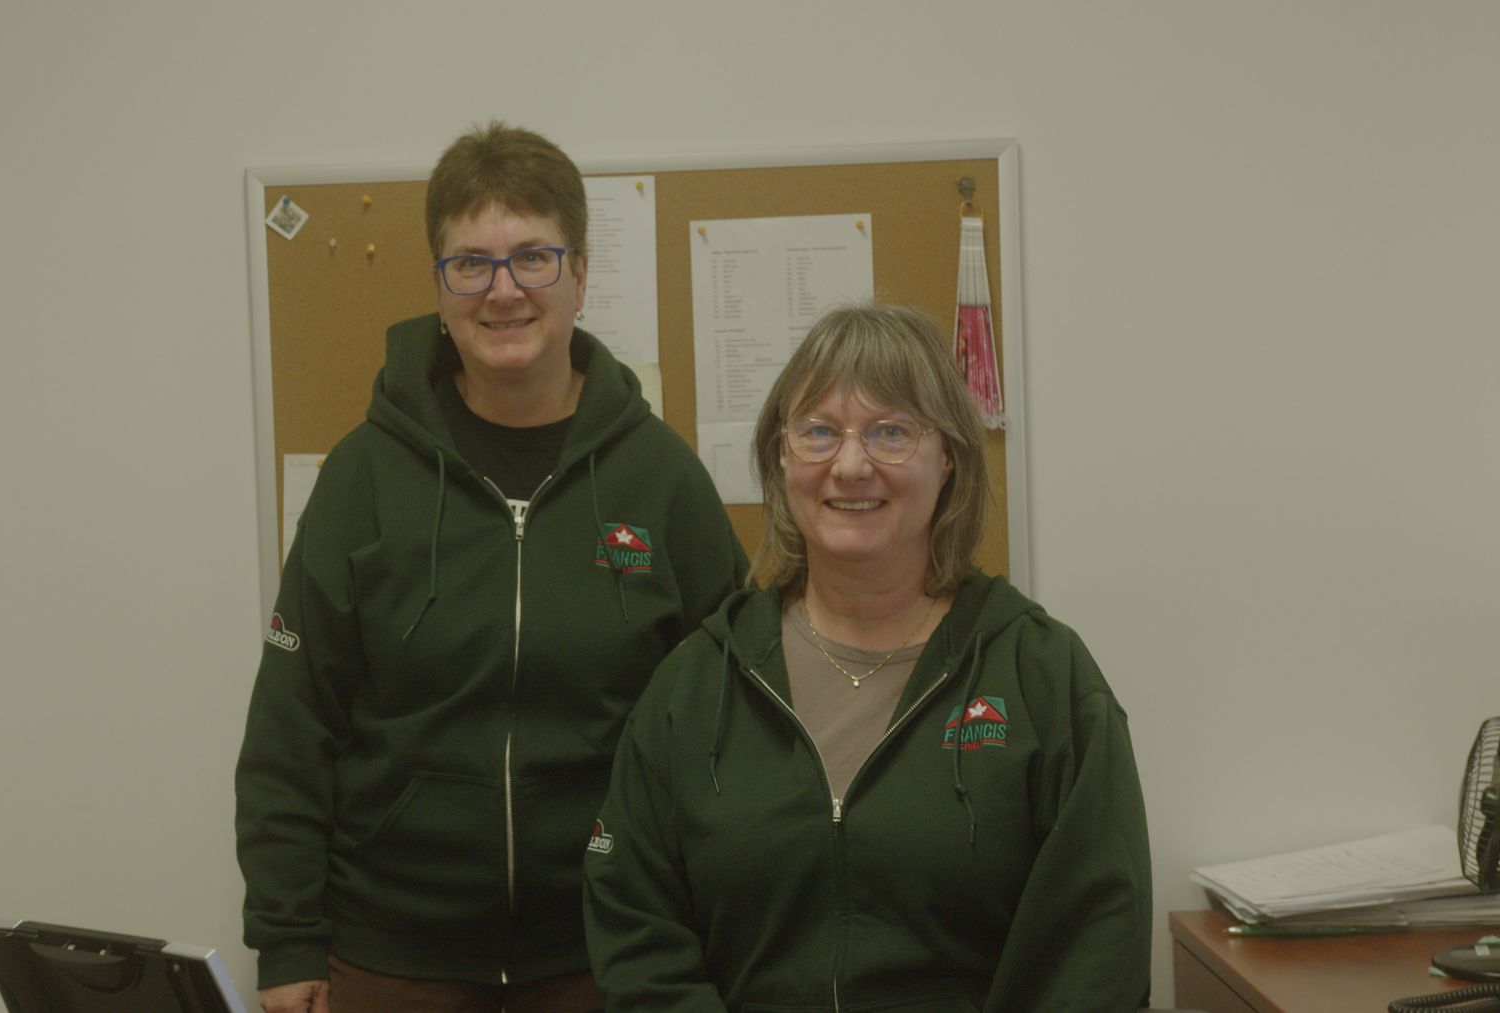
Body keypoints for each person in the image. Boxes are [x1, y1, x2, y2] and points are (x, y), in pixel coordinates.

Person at [236, 122, 746, 1013]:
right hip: (393, 957)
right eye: (470, 262)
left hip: (610, 951)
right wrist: (286, 941)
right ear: (439, 288)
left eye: (532, 258)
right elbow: (292, 728)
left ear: (581, 276)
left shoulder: (660, 479)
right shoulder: (363, 475)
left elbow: (733, 725)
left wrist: (718, 928)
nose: (502, 289)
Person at [584, 303, 1151, 1011]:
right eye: (819, 431)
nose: (851, 465)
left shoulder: (1045, 677)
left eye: (891, 431)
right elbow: (637, 927)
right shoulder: (696, 686)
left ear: (949, 455)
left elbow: (1097, 947)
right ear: (782, 455)